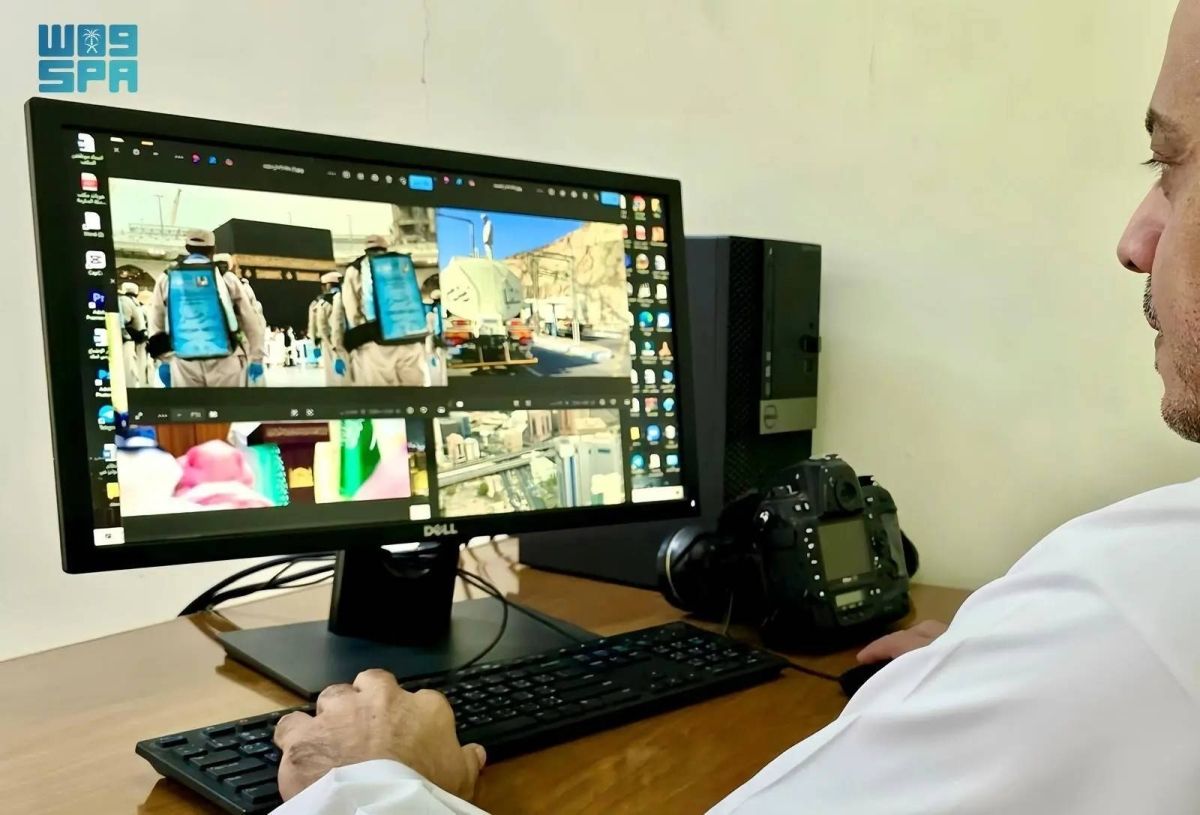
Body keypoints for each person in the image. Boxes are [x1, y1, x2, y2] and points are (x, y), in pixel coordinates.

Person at [271, 3, 1200, 812]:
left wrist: (370, 781)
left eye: (1172, 163)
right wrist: (1003, 665)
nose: (1134, 239)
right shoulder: (1131, 611)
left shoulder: (1134, 606)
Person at [146, 230, 266, 388]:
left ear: (187, 248)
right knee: (229, 404)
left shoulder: (167, 278)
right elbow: (249, 319)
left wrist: (165, 359)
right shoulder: (227, 278)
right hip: (226, 357)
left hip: (184, 360)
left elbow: (156, 321)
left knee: (192, 404)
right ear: (213, 249)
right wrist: (256, 357)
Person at [337, 235, 432, 386]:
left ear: (365, 248)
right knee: (414, 389)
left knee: (381, 391)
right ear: (385, 247)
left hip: (375, 340)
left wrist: (359, 331)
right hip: (409, 337)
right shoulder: (401, 263)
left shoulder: (356, 269)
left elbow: (351, 307)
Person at [309, 271, 348, 385]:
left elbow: (320, 326)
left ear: (327, 286)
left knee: (333, 377)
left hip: (330, 343)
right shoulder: (344, 296)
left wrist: (316, 343)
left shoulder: (322, 303)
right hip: (347, 340)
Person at [116, 281, 147, 388]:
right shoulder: (136, 302)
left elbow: (125, 319)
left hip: (130, 339)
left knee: (129, 368)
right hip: (141, 337)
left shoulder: (124, 301)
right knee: (139, 367)